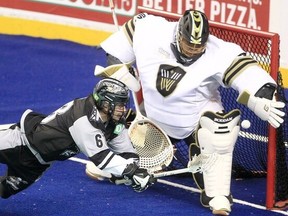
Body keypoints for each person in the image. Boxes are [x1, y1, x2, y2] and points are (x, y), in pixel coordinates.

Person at [88, 10, 285, 215]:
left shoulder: (219, 51)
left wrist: (259, 101)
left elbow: (251, 77)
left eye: (198, 46)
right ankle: (123, 161)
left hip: (197, 119)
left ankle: (217, 193)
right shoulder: (150, 30)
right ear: (177, 35)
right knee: (112, 114)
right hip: (154, 120)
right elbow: (116, 50)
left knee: (220, 130)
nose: (193, 50)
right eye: (188, 44)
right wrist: (119, 70)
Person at [0, 78, 155, 199]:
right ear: (105, 103)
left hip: (38, 163)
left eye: (124, 104)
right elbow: (101, 158)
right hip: (20, 142)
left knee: (4, 189)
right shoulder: (83, 118)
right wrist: (133, 172)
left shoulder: (115, 121)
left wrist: (134, 172)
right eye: (119, 104)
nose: (123, 109)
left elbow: (125, 150)